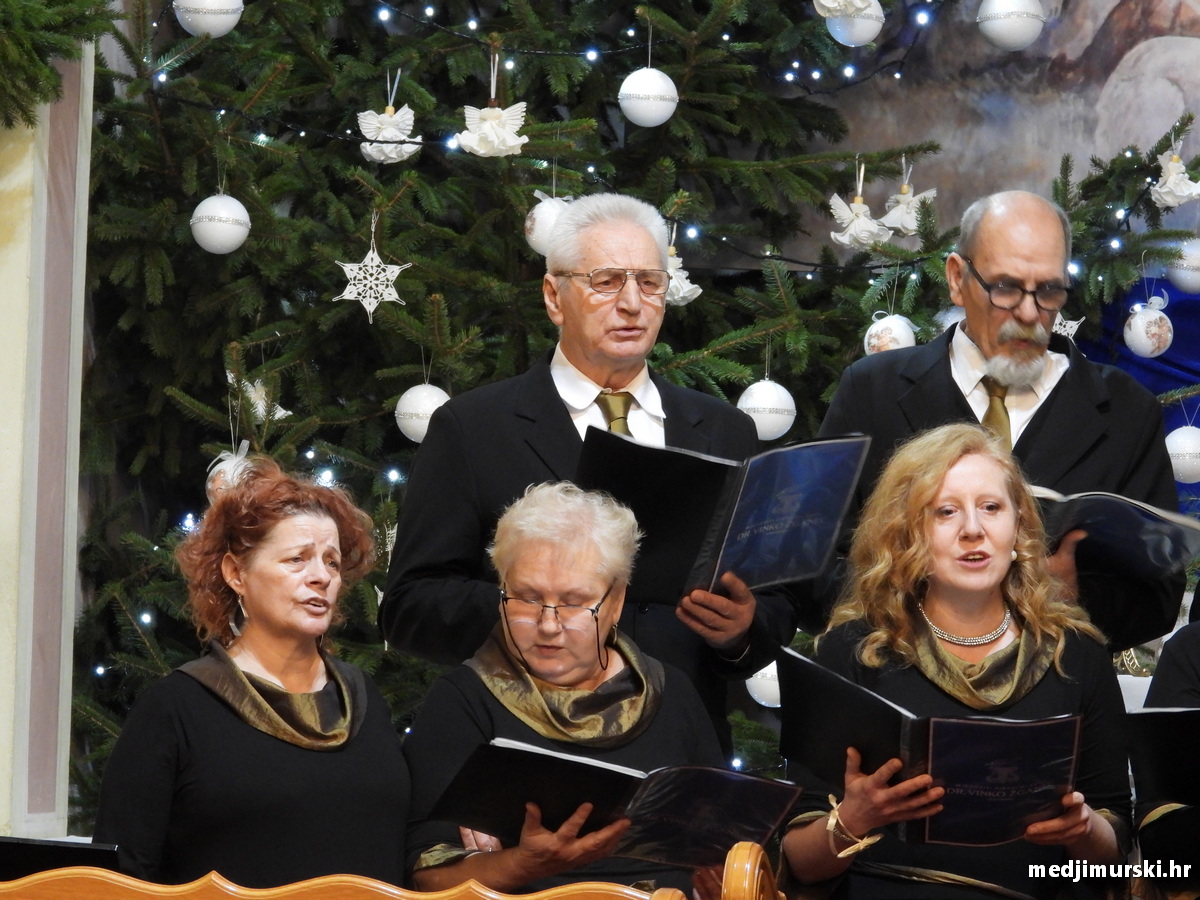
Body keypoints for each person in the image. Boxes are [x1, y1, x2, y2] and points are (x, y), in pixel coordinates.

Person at [381, 192, 797, 751]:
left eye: (649, 283)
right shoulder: (473, 428)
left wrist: (742, 631)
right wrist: (540, 610)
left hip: (679, 743)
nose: (632, 304)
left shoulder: (724, 431)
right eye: (606, 281)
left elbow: (774, 603)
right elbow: (410, 608)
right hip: (525, 743)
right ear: (554, 296)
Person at [815, 189, 1182, 650]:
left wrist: (1070, 598)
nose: (1029, 314)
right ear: (956, 278)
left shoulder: (1128, 410)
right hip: (900, 691)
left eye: (1048, 291)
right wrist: (924, 601)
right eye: (1006, 288)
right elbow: (816, 563)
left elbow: (1160, 598)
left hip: (1057, 700)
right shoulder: (872, 392)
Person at [780, 424, 1131, 900]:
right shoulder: (852, 652)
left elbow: (1115, 854)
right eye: (945, 512)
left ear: (1018, 528)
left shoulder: (1078, 654)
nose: (973, 529)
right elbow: (797, 861)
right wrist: (852, 821)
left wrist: (1085, 829)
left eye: (991, 507)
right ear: (907, 536)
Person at [93, 458, 409, 888]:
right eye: (297, 559)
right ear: (236, 573)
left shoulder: (363, 697)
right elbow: (119, 881)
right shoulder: (177, 708)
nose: (321, 577)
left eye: (332, 562)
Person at [403, 481, 725, 894]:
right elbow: (423, 877)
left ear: (616, 601)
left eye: (574, 602)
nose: (548, 625)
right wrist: (520, 865)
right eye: (526, 598)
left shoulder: (671, 693)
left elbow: (722, 849)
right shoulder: (464, 699)